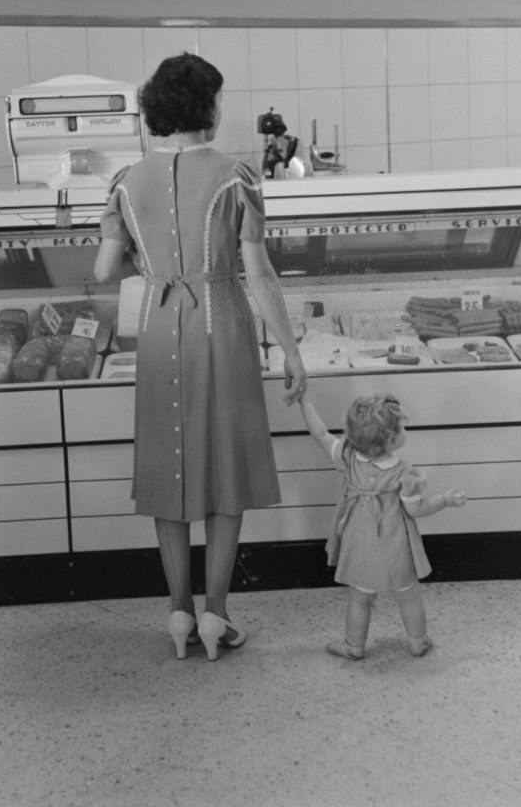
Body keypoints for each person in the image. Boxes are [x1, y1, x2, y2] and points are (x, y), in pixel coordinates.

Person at [94, 52, 307, 661]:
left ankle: (178, 615)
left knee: (171, 464)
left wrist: (150, 264)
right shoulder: (237, 175)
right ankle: (217, 614)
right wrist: (290, 351)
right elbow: (258, 272)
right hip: (221, 320)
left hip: (160, 323)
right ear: (206, 107)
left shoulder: (126, 181)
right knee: (226, 468)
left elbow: (105, 267)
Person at [297, 391, 466, 660]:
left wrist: (303, 402)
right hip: (395, 543)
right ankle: (418, 642)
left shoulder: (347, 456)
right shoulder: (404, 473)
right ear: (390, 439)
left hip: (360, 544)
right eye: (402, 427)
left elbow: (319, 433)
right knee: (408, 596)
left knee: (360, 597)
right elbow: (417, 508)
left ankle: (354, 646)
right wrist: (445, 500)